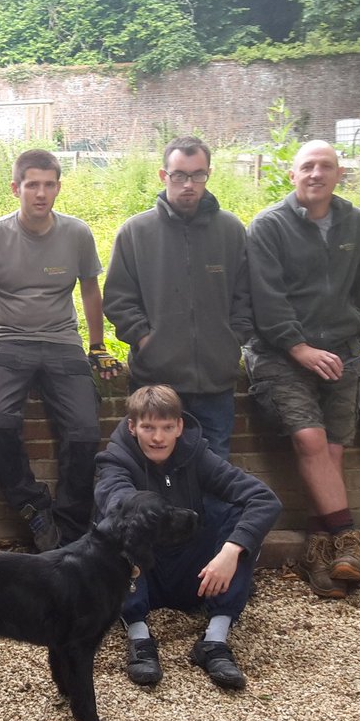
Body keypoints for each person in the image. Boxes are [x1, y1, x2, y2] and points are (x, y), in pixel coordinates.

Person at [245, 140, 360, 599]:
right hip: (279, 352)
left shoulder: (356, 223)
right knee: (309, 438)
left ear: (340, 175)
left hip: (342, 349)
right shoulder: (268, 226)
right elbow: (267, 299)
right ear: (291, 174)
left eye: (326, 166)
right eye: (308, 167)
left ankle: (321, 553)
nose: (317, 173)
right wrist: (299, 348)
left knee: (333, 451)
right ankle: (349, 540)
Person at [0, 148, 120, 553]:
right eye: (32, 184)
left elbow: (90, 290)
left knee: (85, 429)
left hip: (62, 342)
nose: (41, 193)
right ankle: (32, 506)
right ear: (16, 187)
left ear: (58, 188)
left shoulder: (77, 233)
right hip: (9, 342)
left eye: (49, 185)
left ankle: (68, 526)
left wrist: (98, 345)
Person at [103, 136, 252, 554]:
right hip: (157, 383)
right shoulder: (136, 232)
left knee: (215, 478)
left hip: (216, 383)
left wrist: (233, 338)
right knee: (153, 478)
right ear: (164, 175)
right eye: (180, 175)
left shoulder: (231, 230)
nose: (189, 184)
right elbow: (118, 297)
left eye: (197, 175)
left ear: (208, 175)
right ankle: (155, 567)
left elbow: (245, 295)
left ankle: (207, 562)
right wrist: (147, 339)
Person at [95, 385, 281, 690]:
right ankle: (139, 636)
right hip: (142, 573)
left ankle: (214, 641)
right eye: (148, 428)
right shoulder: (115, 460)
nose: (158, 437)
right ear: (132, 427)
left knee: (239, 520)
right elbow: (116, 500)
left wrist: (230, 552)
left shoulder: (197, 455)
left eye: (167, 427)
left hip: (198, 575)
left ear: (180, 426)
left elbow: (264, 499)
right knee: (111, 523)